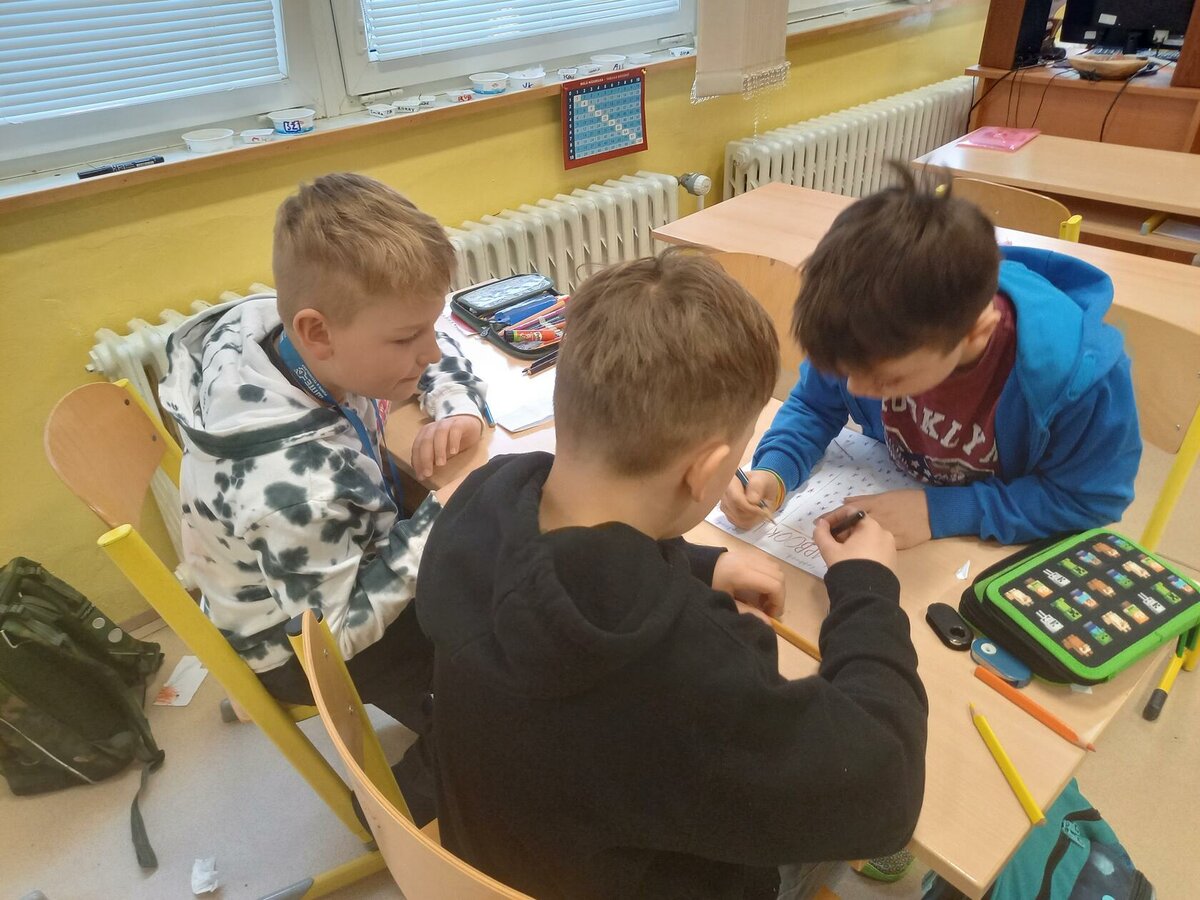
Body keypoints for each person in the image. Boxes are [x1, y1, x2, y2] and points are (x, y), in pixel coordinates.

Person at [416, 251, 929, 899]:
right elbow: (886, 791)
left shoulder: (483, 502)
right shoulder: (683, 667)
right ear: (706, 470)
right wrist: (867, 589)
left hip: (509, 858)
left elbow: (570, 564)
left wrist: (700, 564)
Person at [159, 173, 486, 824]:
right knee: (499, 670)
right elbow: (332, 641)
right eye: (406, 340)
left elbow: (436, 345)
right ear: (317, 335)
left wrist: (458, 408)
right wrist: (438, 518)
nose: (428, 351)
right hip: (300, 645)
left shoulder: (277, 332)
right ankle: (401, 808)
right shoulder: (296, 490)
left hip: (332, 562)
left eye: (425, 328)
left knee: (484, 578)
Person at [721, 169, 1141, 550]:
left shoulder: (1079, 379)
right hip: (899, 499)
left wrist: (940, 512)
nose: (854, 389)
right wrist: (774, 471)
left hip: (985, 547)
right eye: (845, 371)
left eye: (887, 381)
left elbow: (1089, 499)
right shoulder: (865, 332)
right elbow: (814, 406)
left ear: (976, 332)